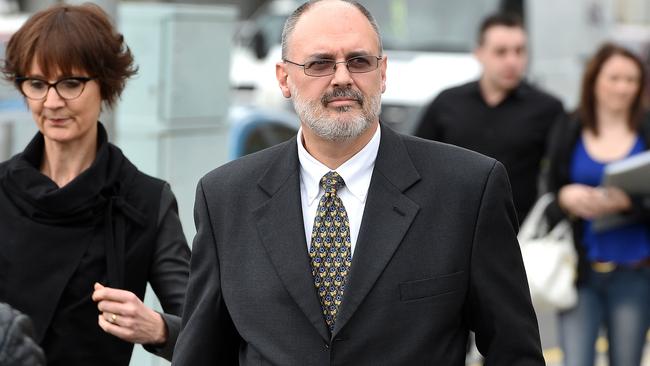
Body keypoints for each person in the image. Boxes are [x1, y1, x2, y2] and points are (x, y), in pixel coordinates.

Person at [172, 1, 543, 364]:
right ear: (284, 78)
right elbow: (203, 351)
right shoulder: (225, 198)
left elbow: (515, 352)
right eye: (319, 63)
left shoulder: (467, 189)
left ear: (382, 73)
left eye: (359, 61)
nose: (343, 78)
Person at [0, 4, 190, 365]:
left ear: (105, 85)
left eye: (71, 82)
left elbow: (207, 332)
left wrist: (158, 327)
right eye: (37, 84)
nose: (52, 102)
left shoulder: (147, 201)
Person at [543, 43, 650, 366]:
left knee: (626, 360)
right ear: (594, 80)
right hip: (580, 270)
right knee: (575, 360)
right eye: (614, 78)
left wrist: (629, 204)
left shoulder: (646, 128)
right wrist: (565, 198)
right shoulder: (570, 125)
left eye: (631, 80)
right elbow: (550, 188)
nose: (623, 87)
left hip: (634, 270)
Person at [414, 13, 564, 222]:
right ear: (479, 53)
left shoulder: (548, 108)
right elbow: (417, 163)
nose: (512, 61)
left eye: (519, 51)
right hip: (450, 224)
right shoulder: (447, 102)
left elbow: (562, 173)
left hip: (517, 230)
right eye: (501, 52)